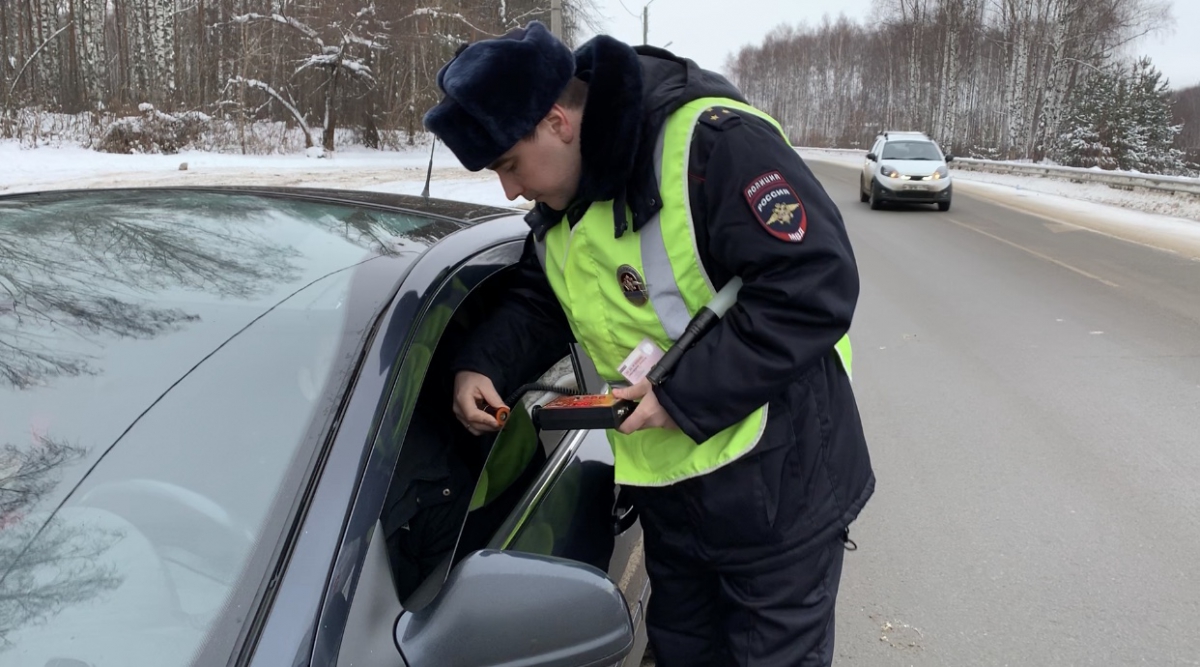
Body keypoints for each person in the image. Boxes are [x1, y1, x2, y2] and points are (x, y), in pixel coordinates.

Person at [423, 21, 874, 667]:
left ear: (557, 121)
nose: (511, 190)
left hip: (779, 483)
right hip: (673, 494)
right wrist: (478, 364)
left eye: (509, 164)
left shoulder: (712, 146)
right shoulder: (565, 203)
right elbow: (542, 298)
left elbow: (814, 284)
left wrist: (678, 392)